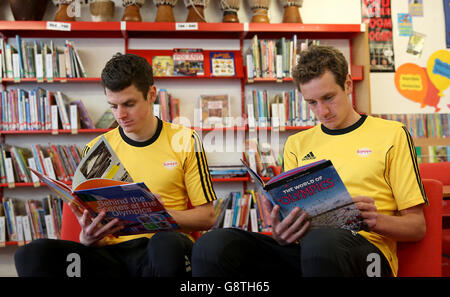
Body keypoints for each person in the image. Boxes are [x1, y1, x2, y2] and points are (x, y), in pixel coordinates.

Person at [191, 45, 427, 277]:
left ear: (347, 84)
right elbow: (290, 232)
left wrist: (375, 220)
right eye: (312, 103)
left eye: (328, 98)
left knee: (321, 241)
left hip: (369, 257)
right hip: (308, 253)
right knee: (213, 245)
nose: (322, 111)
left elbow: (417, 227)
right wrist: (283, 231)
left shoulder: (392, 134)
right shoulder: (297, 144)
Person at [14, 53, 217, 277]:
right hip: (109, 257)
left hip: (158, 250)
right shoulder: (96, 148)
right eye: (113, 106)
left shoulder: (185, 140)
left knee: (165, 244)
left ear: (151, 94)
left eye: (129, 104)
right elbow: (87, 219)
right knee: (32, 254)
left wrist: (159, 216)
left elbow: (207, 217)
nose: (120, 115)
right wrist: (87, 237)